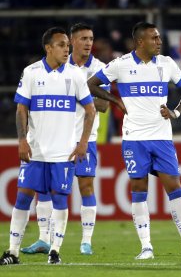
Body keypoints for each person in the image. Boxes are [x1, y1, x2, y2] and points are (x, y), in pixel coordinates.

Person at [87, 21, 181, 260]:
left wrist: (175, 112)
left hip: (162, 137)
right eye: (154, 38)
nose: (159, 41)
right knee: (138, 188)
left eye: (159, 37)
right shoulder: (121, 65)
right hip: (134, 139)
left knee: (174, 186)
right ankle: (146, 247)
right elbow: (91, 84)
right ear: (140, 41)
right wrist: (116, 101)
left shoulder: (166, 64)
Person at [0, 27, 96, 265]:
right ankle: (13, 252)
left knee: (60, 200)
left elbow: (91, 110)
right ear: (49, 48)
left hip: (63, 153)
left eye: (67, 44)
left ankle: (55, 250)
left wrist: (83, 142)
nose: (67, 49)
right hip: (35, 152)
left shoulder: (75, 75)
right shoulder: (31, 73)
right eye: (62, 45)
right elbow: (21, 108)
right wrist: (22, 140)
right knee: (22, 198)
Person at [20, 23, 109, 256]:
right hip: (57, 137)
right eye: (83, 39)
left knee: (86, 184)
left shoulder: (100, 68)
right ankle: (43, 238)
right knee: (45, 189)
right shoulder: (59, 64)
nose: (88, 43)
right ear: (71, 41)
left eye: (91, 38)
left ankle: (86, 241)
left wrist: (81, 93)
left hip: (84, 138)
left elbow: (103, 105)